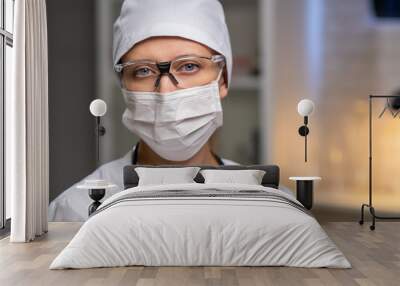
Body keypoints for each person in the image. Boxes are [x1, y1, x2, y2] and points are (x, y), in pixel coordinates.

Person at [48, 0, 240, 221]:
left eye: (189, 66)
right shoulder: (74, 212)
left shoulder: (272, 204)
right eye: (143, 71)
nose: (165, 92)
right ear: (123, 85)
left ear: (222, 80)